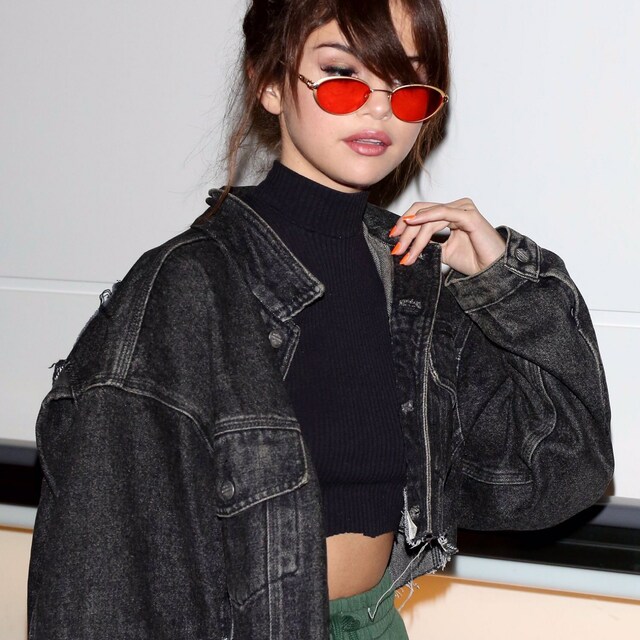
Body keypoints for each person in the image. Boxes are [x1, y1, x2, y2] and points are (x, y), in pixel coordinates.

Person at [27, 0, 614, 638]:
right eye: (342, 75)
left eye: (407, 85)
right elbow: (104, 582)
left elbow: (564, 469)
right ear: (270, 84)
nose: (379, 108)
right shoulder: (185, 288)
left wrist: (502, 283)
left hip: (377, 623)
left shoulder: (411, 276)